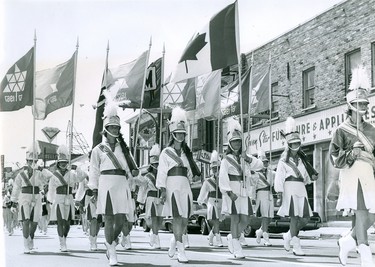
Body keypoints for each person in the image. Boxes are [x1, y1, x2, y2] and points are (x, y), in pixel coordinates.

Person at [329, 67, 375, 267]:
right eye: (359, 103)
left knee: (371, 214)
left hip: (369, 174)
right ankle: (366, 255)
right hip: (352, 173)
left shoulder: (372, 129)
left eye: (365, 102)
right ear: (350, 104)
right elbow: (333, 157)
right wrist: (351, 153)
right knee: (362, 212)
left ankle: (347, 241)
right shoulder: (341, 130)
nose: (363, 106)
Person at [89, 100, 139, 266]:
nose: (115, 130)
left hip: (121, 184)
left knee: (122, 219)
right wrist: (94, 191)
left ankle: (111, 241)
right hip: (106, 184)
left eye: (117, 127)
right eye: (112, 127)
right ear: (106, 129)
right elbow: (94, 171)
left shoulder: (124, 148)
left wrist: (134, 172)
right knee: (109, 219)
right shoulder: (98, 149)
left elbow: (131, 169)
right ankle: (112, 252)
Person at [156, 106, 201, 263]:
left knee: (184, 219)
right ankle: (181, 250)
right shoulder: (165, 152)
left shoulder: (186, 153)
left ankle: (174, 241)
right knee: (176, 218)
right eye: (178, 133)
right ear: (173, 134)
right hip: (172, 186)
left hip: (185, 186)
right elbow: (161, 172)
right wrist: (162, 191)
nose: (180, 136)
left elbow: (190, 173)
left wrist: (193, 177)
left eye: (183, 133)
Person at [219, 117, 264, 259]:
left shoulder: (246, 157)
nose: (237, 144)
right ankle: (236, 246)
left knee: (245, 220)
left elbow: (260, 165)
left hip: (244, 191)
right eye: (234, 142)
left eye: (238, 141)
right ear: (230, 144)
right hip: (232, 191)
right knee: (235, 219)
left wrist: (249, 159)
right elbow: (222, 177)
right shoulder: (226, 160)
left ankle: (232, 237)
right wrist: (228, 192)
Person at [274, 117, 318, 256]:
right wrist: (279, 195)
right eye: (292, 143)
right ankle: (295, 243)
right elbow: (279, 178)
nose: (295, 145)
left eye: (297, 143)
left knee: (305, 218)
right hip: (290, 188)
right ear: (288, 145)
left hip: (301, 188)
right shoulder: (283, 160)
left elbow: (305, 177)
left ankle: (288, 235)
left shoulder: (303, 159)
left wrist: (312, 177)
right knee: (294, 217)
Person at [11, 143, 52, 254]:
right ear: (27, 161)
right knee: (26, 221)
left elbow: (50, 176)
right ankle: (26, 244)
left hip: (37, 197)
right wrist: (13, 202)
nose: (32, 163)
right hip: (24, 197)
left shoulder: (39, 173)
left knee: (34, 222)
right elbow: (16, 188)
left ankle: (30, 239)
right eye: (30, 161)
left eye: (34, 161)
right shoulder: (21, 175)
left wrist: (40, 168)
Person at [47, 144, 86, 252]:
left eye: (65, 162)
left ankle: (64, 237)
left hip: (69, 198)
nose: (63, 164)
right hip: (59, 198)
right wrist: (51, 201)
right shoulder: (55, 175)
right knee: (61, 221)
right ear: (58, 164)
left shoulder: (72, 174)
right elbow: (51, 189)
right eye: (61, 163)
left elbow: (82, 177)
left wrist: (77, 168)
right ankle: (62, 243)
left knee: (67, 223)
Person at [137, 144, 164, 249]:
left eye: (158, 164)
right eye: (155, 164)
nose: (156, 166)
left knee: (160, 220)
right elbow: (143, 189)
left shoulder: (162, 175)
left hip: (160, 198)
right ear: (151, 164)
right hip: (151, 198)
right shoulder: (147, 176)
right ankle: (157, 240)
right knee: (153, 219)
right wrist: (141, 202)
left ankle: (153, 234)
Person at [197, 150, 224, 247]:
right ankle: (219, 239)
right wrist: (200, 200)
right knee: (215, 221)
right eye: (213, 169)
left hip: (221, 202)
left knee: (218, 222)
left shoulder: (223, 179)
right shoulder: (208, 181)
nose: (215, 170)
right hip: (212, 202)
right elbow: (203, 192)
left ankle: (211, 236)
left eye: (217, 168)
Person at [74, 159, 102, 251]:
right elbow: (80, 183)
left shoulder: (103, 168)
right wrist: (78, 199)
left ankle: (93, 237)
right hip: (90, 197)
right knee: (93, 218)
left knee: (99, 221)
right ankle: (93, 241)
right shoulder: (86, 170)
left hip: (102, 197)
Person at [252, 150, 276, 247]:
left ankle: (259, 231)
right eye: (263, 162)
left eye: (266, 162)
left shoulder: (272, 173)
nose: (265, 164)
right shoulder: (256, 174)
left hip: (269, 194)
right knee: (265, 216)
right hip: (261, 194)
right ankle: (266, 238)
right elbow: (253, 187)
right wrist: (253, 198)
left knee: (270, 217)